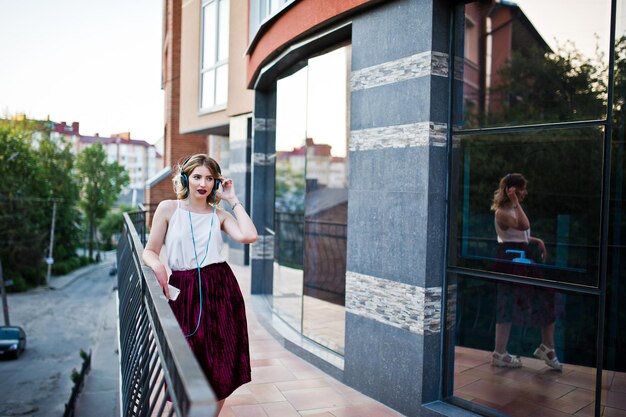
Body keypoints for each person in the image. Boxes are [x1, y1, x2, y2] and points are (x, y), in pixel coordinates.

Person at [142, 154, 258, 415]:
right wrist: (158, 265)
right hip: (184, 290)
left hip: (221, 289)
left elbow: (249, 235)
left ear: (216, 182)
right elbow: (149, 250)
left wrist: (232, 199)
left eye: (209, 178)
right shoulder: (168, 208)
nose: (203, 183)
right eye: (197, 177)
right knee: (186, 360)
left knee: (220, 363)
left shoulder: (219, 215)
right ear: (186, 178)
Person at [490, 173, 562, 371]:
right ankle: (501, 353)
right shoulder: (501, 212)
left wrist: (535, 240)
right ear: (510, 189)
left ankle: (545, 348)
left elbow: (518, 234)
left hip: (519, 257)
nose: (524, 192)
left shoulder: (511, 209)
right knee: (508, 304)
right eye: (521, 189)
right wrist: (515, 202)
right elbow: (523, 225)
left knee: (544, 297)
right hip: (512, 260)